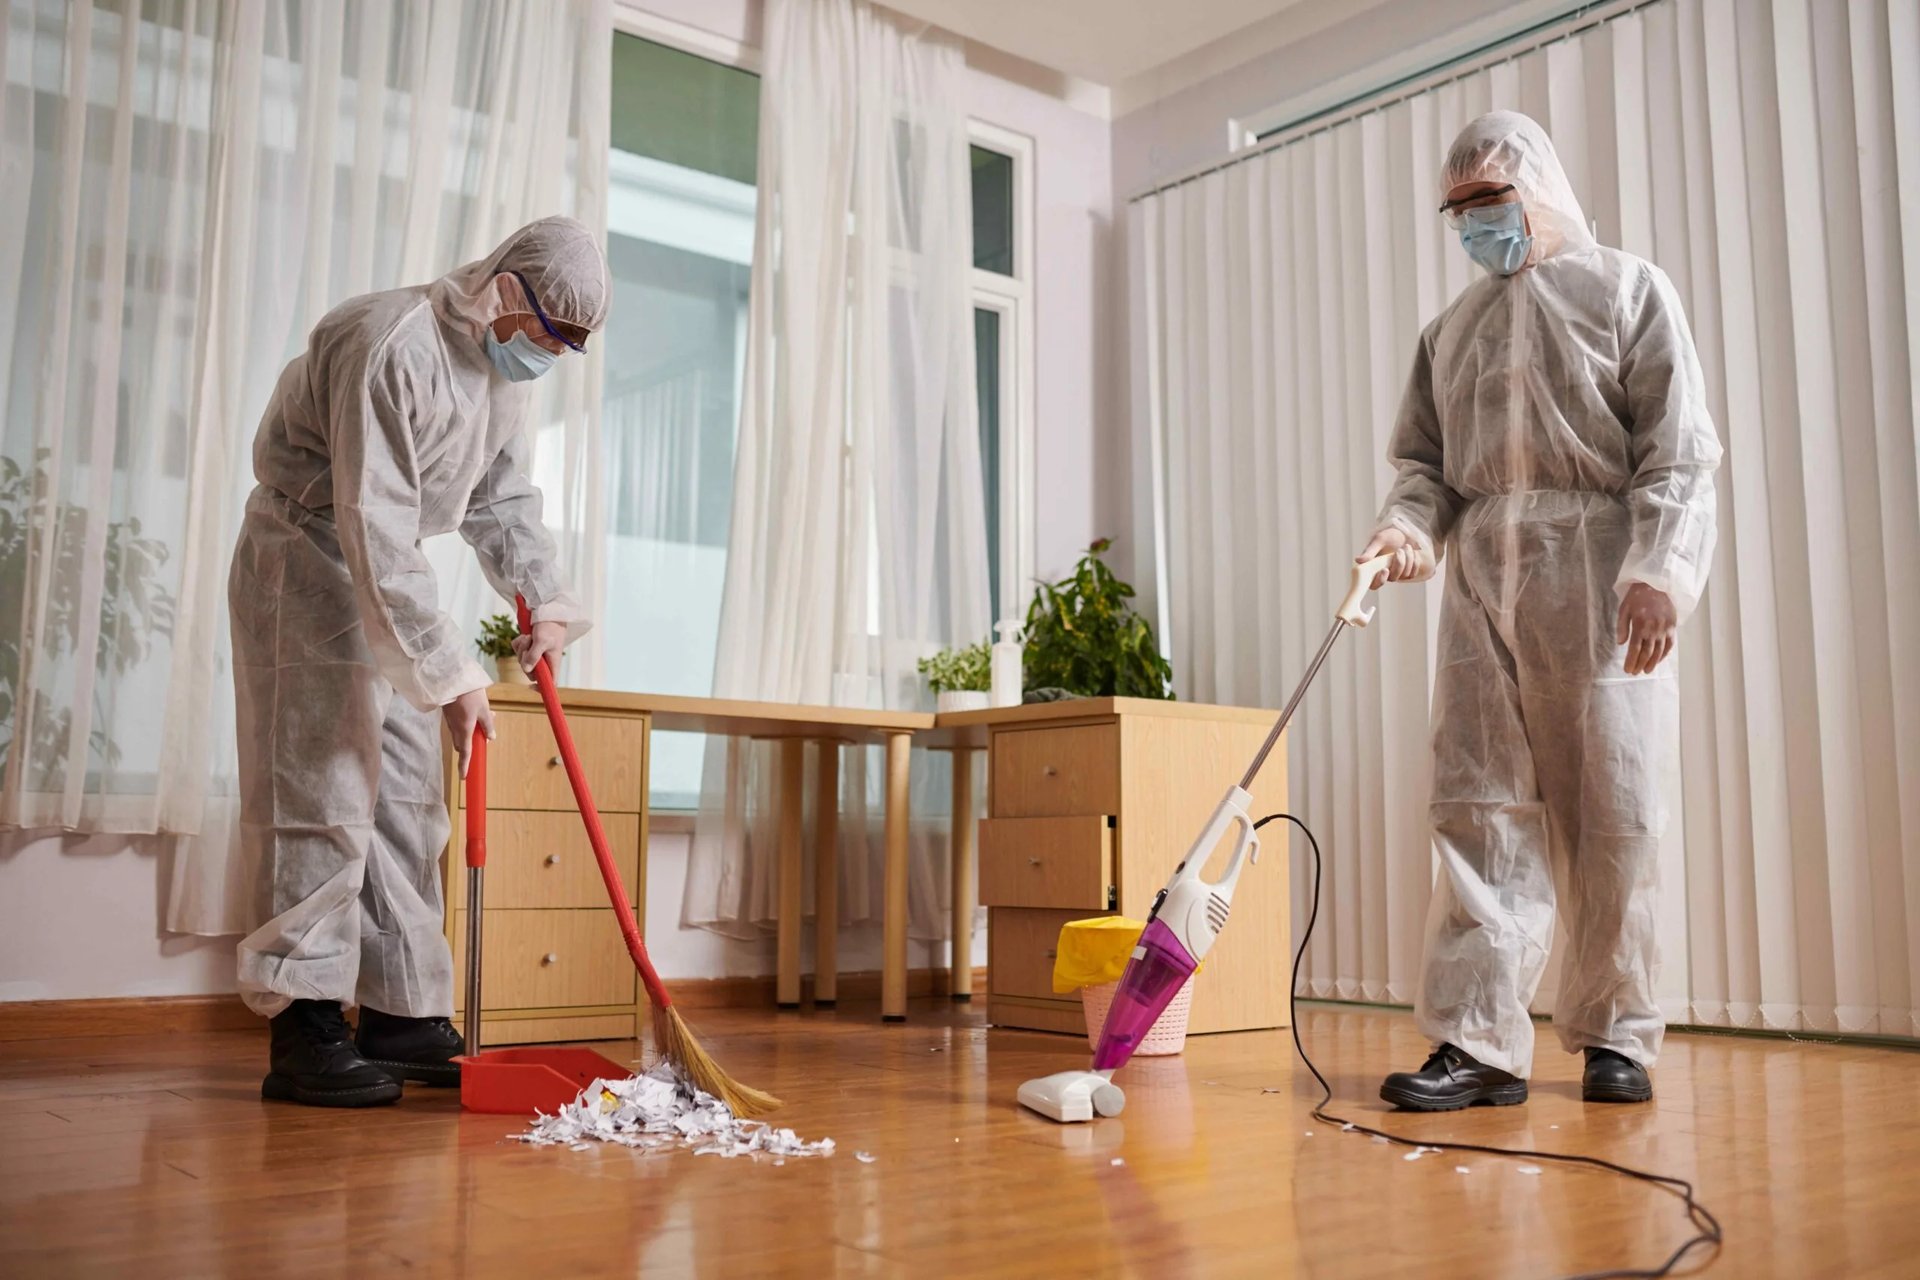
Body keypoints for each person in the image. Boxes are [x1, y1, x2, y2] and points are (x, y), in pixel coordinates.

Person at [1358, 112, 1720, 1110]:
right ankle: (1477, 1042)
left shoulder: (1628, 290)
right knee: (1477, 809)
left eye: (1491, 200)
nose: (1476, 222)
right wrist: (1404, 532)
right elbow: (1425, 470)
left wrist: (1662, 567)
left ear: (1540, 189)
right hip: (1481, 588)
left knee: (1613, 809)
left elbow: (1678, 448)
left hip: (1599, 578)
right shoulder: (1452, 332)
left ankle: (1617, 1034)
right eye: (1461, 207)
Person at [229, 216, 607, 1107]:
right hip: (310, 554)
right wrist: (452, 673)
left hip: (385, 571)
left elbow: (499, 495)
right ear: (507, 289)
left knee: (406, 796)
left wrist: (544, 598)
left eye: (565, 348)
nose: (544, 359)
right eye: (546, 337)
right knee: (320, 789)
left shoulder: (497, 373)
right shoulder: (387, 344)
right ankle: (306, 1024)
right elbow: (374, 521)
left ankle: (401, 1014)